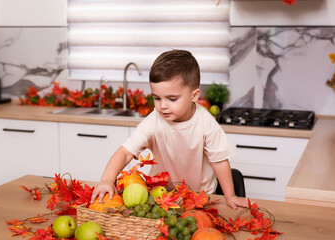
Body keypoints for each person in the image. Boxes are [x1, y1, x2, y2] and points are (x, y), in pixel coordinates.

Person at [90, 49, 247, 209]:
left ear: (194, 96)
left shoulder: (206, 123)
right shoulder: (154, 121)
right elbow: (125, 153)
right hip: (161, 195)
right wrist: (107, 180)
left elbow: (219, 161)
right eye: (157, 98)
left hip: (200, 197)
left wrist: (231, 196)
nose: (162, 106)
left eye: (172, 99)